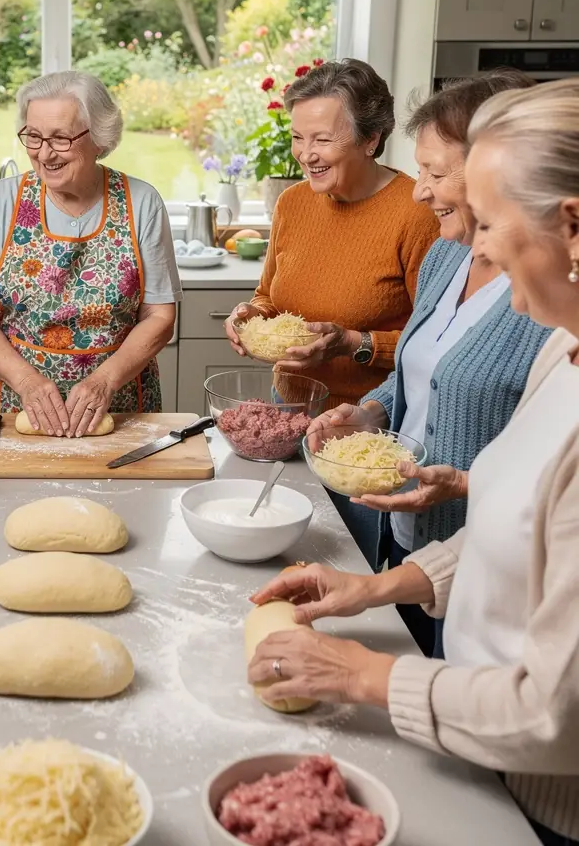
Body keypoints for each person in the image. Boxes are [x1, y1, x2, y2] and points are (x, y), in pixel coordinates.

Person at [247, 78, 579, 846]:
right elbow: (512, 523)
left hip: (545, 803)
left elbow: (552, 714)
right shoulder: (563, 354)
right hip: (472, 737)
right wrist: (382, 587)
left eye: (491, 222)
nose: (478, 247)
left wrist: (359, 675)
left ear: (570, 226)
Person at [305, 72, 551, 653]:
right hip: (407, 541)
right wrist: (369, 412)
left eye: (436, 174)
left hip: (488, 571)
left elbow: (546, 473)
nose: (418, 192)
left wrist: (464, 487)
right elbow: (421, 372)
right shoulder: (446, 254)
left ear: (503, 174)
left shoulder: (549, 298)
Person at [0, 71, 181, 436]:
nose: (44, 153)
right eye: (33, 136)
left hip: (119, 409)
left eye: (60, 138)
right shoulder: (1, 202)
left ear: (99, 138)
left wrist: (104, 382)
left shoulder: (142, 203)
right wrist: (28, 382)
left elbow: (159, 316)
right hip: (16, 407)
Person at [225, 59, 440, 413]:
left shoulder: (417, 212)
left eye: (322, 140)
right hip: (289, 405)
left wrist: (352, 344)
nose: (306, 155)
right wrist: (251, 314)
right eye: (297, 137)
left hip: (372, 417)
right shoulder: (292, 203)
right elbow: (269, 297)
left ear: (370, 139)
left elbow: (435, 341)